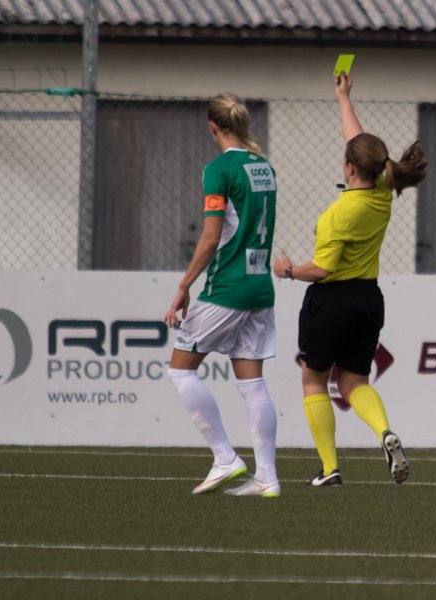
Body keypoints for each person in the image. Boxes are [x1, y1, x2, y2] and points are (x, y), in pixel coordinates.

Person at [273, 71, 426, 487]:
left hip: (332, 301)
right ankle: (385, 432)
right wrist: (344, 99)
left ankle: (329, 468)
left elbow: (321, 270)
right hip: (368, 300)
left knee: (313, 379)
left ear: (348, 167)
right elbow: (360, 145)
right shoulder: (381, 192)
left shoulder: (338, 213)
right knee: (355, 380)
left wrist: (286, 270)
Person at [164, 93, 280, 498]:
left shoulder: (218, 170)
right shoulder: (264, 166)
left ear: (212, 126)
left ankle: (225, 458)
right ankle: (267, 477)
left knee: (180, 370)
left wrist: (184, 286)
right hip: (260, 286)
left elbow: (212, 236)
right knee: (252, 384)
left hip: (227, 286)